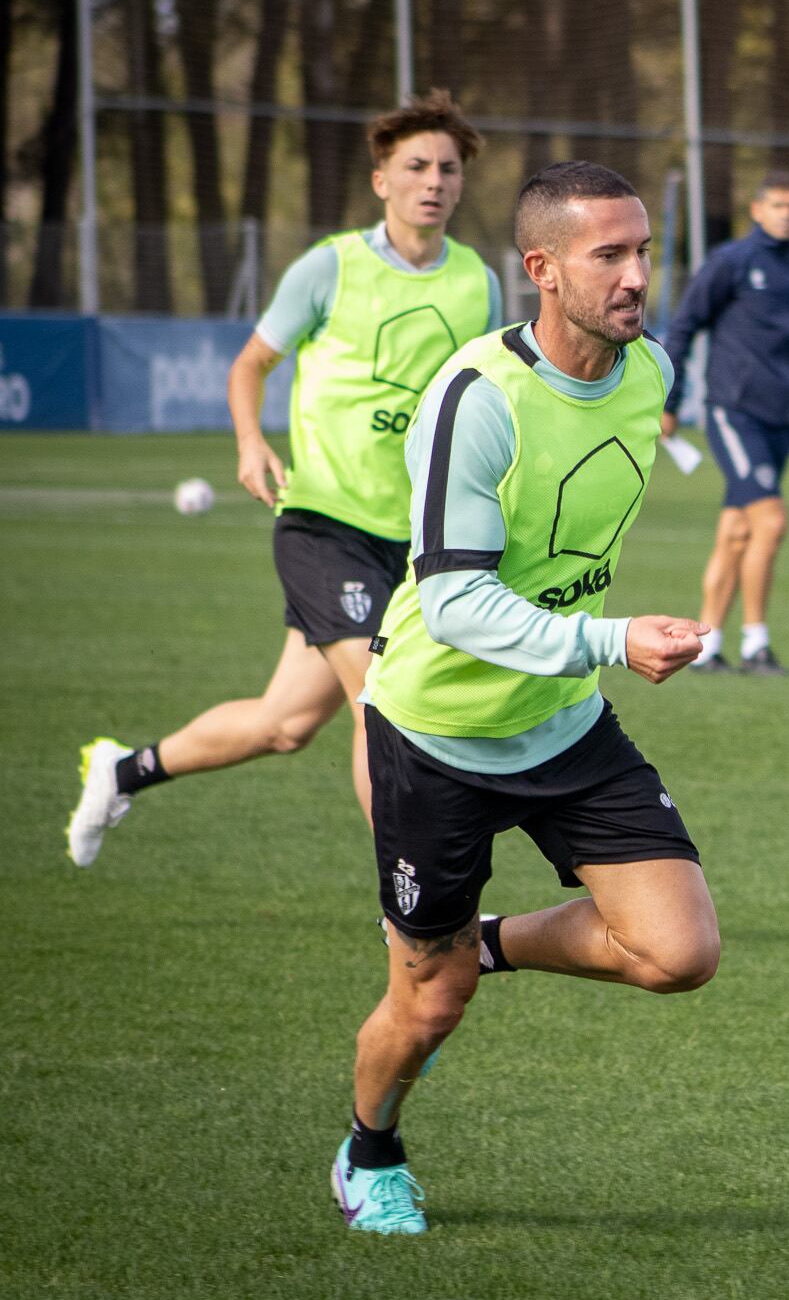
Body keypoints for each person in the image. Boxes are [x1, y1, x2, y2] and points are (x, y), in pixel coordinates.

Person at [332, 161, 721, 1236]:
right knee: (430, 1002)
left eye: (643, 251)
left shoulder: (650, 372)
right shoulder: (477, 397)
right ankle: (370, 1150)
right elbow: (456, 601)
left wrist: (596, 648)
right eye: (609, 255)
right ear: (541, 270)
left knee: (679, 953)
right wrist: (611, 638)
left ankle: (485, 938)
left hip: (561, 721)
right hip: (437, 733)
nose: (636, 275)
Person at [65, 91, 500, 868]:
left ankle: (122, 769)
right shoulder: (330, 266)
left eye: (447, 168)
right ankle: (411, 896)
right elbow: (252, 363)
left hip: (411, 540)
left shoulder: (477, 281)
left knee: (284, 724)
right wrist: (249, 441)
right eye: (416, 166)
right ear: (381, 180)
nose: (433, 180)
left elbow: (480, 393)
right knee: (382, 703)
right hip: (324, 522)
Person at [660, 171, 789, 675]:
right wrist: (670, 401)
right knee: (771, 522)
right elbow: (684, 326)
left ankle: (706, 648)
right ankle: (756, 644)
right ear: (757, 210)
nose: (787, 214)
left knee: (736, 531)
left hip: (780, 418)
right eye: (777, 205)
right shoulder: (731, 260)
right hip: (734, 410)